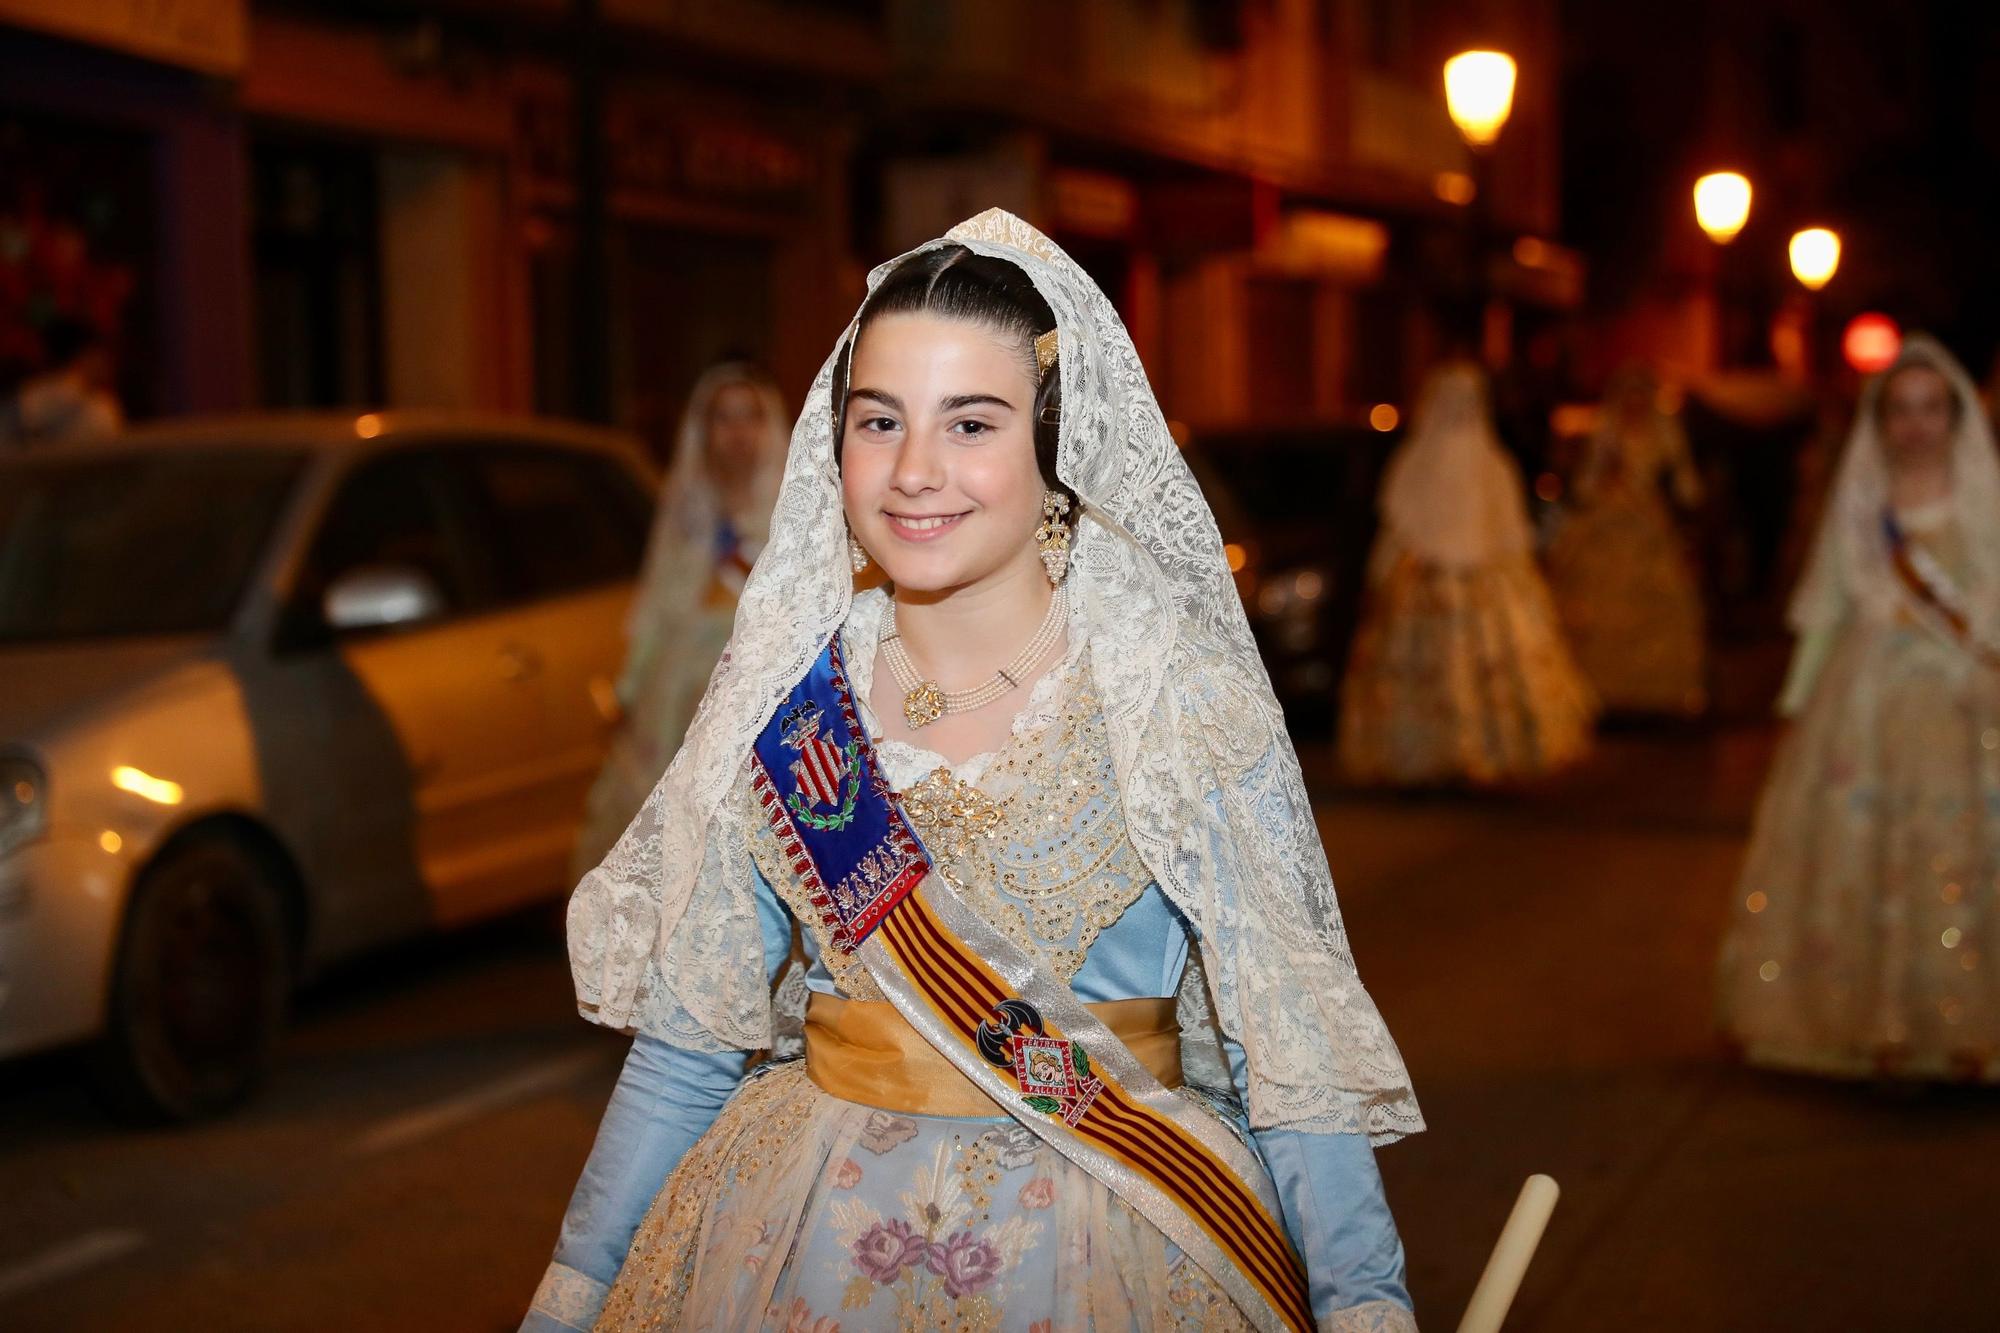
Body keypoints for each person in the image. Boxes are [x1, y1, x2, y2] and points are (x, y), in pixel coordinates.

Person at [522, 210, 1422, 1333]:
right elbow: (687, 1049)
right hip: (800, 1240)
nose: (912, 471)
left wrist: (1365, 1303)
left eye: (971, 424)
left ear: (1056, 446)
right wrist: (568, 1298)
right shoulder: (789, 711)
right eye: (880, 419)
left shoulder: (1168, 699)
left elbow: (1286, 1046)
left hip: (1116, 1233)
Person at [1717, 335, 2000, 1082]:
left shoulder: (1982, 499)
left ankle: (1967, 1022)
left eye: (1930, 409)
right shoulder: (1860, 508)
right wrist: (1799, 700)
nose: (1916, 426)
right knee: (1863, 858)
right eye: (1900, 410)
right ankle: (1876, 1019)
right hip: (1866, 702)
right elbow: (1829, 610)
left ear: (1955, 416)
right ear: (1880, 421)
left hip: (1960, 704)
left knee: (1957, 855)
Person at [570, 362, 787, 876]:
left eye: (748, 417)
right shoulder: (687, 516)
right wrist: (628, 688)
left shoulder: (790, 512)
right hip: (675, 709)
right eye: (724, 418)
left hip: (755, 704)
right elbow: (656, 607)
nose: (737, 433)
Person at [1339, 360, 1596, 787]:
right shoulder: (1418, 464)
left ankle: (1483, 751)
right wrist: (1382, 576)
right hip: (1428, 586)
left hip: (1480, 588)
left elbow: (1510, 533)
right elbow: (1398, 530)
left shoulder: (1490, 466)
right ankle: (1424, 757)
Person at [1544, 365, 1708, 715]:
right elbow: (1585, 486)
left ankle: (1656, 690)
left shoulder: (1662, 437)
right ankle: (1599, 688)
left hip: (1646, 523)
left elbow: (1687, 485)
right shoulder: (1607, 435)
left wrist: (1679, 497)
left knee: (1656, 597)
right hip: (1609, 521)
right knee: (1599, 594)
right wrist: (1605, 475)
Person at [0, 317, 122, 450]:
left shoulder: (21, 399)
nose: (108, 362)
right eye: (103, 353)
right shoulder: (100, 409)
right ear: (87, 354)